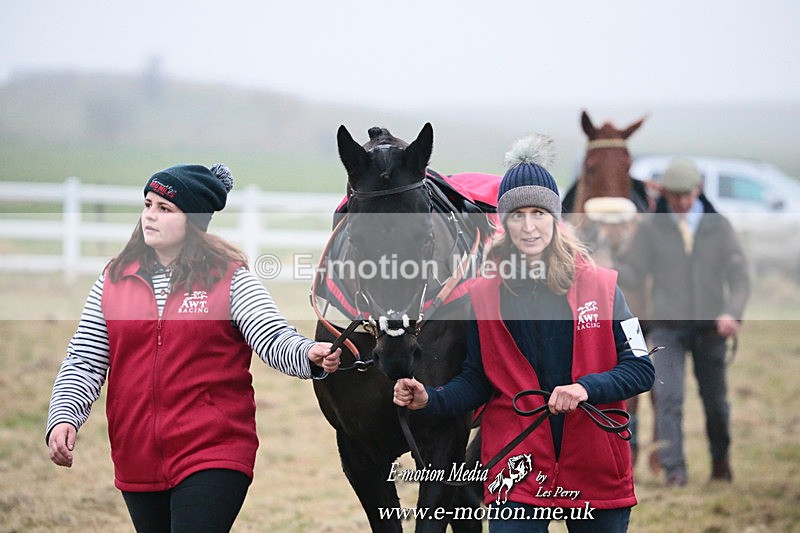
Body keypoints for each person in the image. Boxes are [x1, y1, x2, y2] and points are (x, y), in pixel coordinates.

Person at [45, 163, 342, 532]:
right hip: (136, 455)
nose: (149, 216)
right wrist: (63, 416)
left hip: (214, 451)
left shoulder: (229, 278)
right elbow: (85, 360)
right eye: (148, 204)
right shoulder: (113, 280)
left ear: (193, 221)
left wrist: (307, 354)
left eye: (164, 209)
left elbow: (271, 334)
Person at [393, 134, 655, 533]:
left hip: (595, 461)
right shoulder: (484, 294)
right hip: (517, 467)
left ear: (556, 218)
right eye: (517, 215)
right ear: (504, 222)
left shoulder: (603, 287)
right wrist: (432, 398)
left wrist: (586, 388)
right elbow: (479, 380)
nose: (529, 226)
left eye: (539, 213)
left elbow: (640, 369)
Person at [615, 157, 750, 487]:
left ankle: (721, 461)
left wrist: (732, 312)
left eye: (687, 195)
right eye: (675, 196)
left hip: (710, 330)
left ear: (698, 190)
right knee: (668, 398)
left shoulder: (719, 226)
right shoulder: (651, 227)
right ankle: (675, 472)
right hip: (667, 329)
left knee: (715, 403)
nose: (681, 202)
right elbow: (633, 271)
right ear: (667, 195)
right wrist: (612, 251)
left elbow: (739, 274)